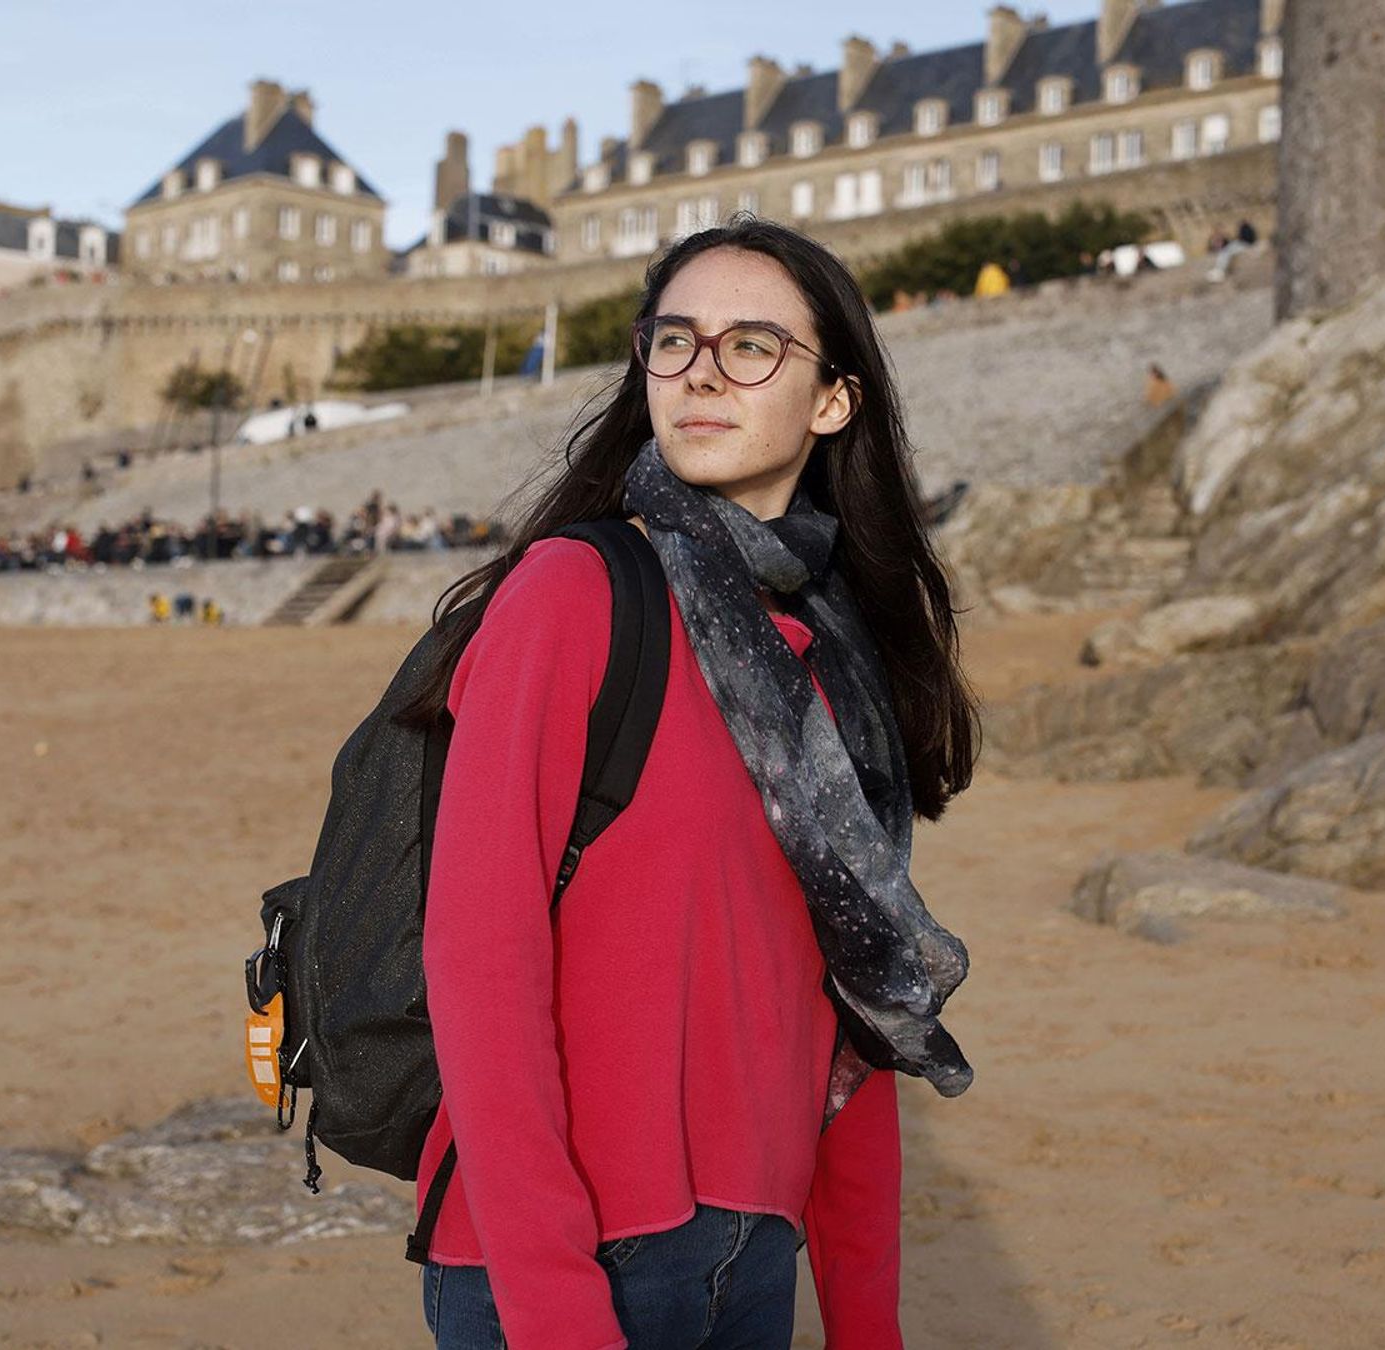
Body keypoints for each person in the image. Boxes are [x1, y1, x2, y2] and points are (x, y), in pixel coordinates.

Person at [394, 219, 978, 1348]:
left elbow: (854, 1000)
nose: (703, 370)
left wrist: (866, 1319)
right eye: (677, 339)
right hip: (559, 1270)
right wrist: (560, 1311)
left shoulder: (831, 655)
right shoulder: (571, 595)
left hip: (749, 1256)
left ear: (832, 401)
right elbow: (479, 958)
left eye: (753, 344)